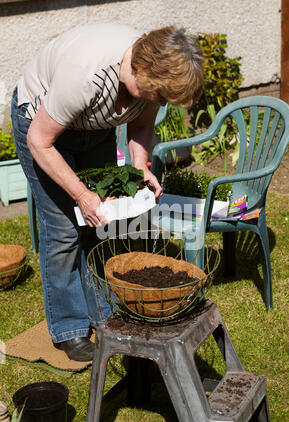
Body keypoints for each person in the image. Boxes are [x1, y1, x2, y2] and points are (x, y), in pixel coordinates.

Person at [11, 23, 203, 361]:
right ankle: (69, 328)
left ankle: (103, 312)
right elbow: (40, 141)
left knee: (100, 225)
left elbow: (142, 124)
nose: (159, 103)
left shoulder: (149, 79)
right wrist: (83, 195)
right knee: (64, 230)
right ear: (142, 70)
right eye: (159, 96)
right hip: (42, 129)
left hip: (93, 128)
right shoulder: (85, 75)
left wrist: (139, 167)